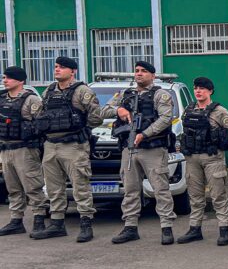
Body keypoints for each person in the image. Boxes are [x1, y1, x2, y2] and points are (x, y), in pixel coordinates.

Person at [101, 61, 177, 245]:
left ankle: (166, 227)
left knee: (161, 189)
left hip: (152, 149)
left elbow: (166, 118)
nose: (139, 74)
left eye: (144, 71)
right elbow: (103, 111)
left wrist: (145, 134)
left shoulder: (161, 94)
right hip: (129, 149)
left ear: (153, 75)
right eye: (136, 71)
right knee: (130, 189)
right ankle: (130, 227)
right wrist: (118, 109)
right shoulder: (125, 94)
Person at [32, 56, 103, 242]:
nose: (57, 70)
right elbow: (40, 114)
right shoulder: (48, 91)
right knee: (54, 187)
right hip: (50, 145)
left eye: (62, 67)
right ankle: (57, 223)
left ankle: (86, 223)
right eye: (55, 66)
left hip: (73, 145)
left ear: (72, 71)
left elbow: (96, 117)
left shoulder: (82, 91)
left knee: (80, 185)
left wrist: (79, 128)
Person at [176, 77, 228, 246]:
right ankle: (195, 229)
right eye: (196, 88)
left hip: (213, 158)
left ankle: (224, 230)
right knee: (195, 196)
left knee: (218, 195)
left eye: (202, 88)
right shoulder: (188, 110)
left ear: (210, 91)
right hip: (192, 158)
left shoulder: (220, 112)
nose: (198, 91)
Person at [0, 67, 47, 237]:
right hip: (6, 148)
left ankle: (39, 218)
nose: (5, 80)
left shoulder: (31, 99)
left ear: (20, 81)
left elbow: (42, 124)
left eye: (10, 78)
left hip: (25, 149)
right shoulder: (2, 98)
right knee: (12, 188)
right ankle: (16, 220)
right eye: (4, 77)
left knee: (32, 186)